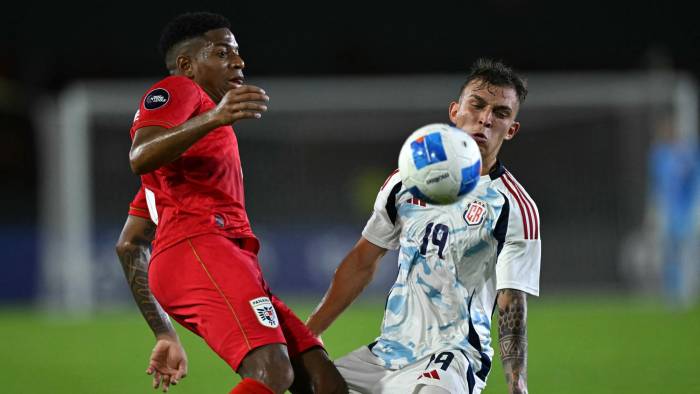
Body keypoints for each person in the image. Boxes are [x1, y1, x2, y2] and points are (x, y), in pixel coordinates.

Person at [118, 12, 346, 394]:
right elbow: (139, 154)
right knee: (271, 371)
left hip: (224, 257)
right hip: (199, 249)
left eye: (237, 53)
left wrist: (165, 334)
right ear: (188, 65)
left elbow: (129, 242)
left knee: (324, 383)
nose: (238, 62)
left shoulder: (179, 172)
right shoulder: (180, 89)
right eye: (223, 53)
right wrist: (215, 116)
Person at [306, 59, 540, 394]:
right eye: (477, 105)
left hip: (453, 358)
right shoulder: (407, 180)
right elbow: (362, 261)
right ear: (455, 111)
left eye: (501, 113)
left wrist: (518, 387)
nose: (486, 119)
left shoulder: (514, 206)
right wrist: (309, 332)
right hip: (387, 354)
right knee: (305, 383)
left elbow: (511, 301)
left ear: (511, 129)